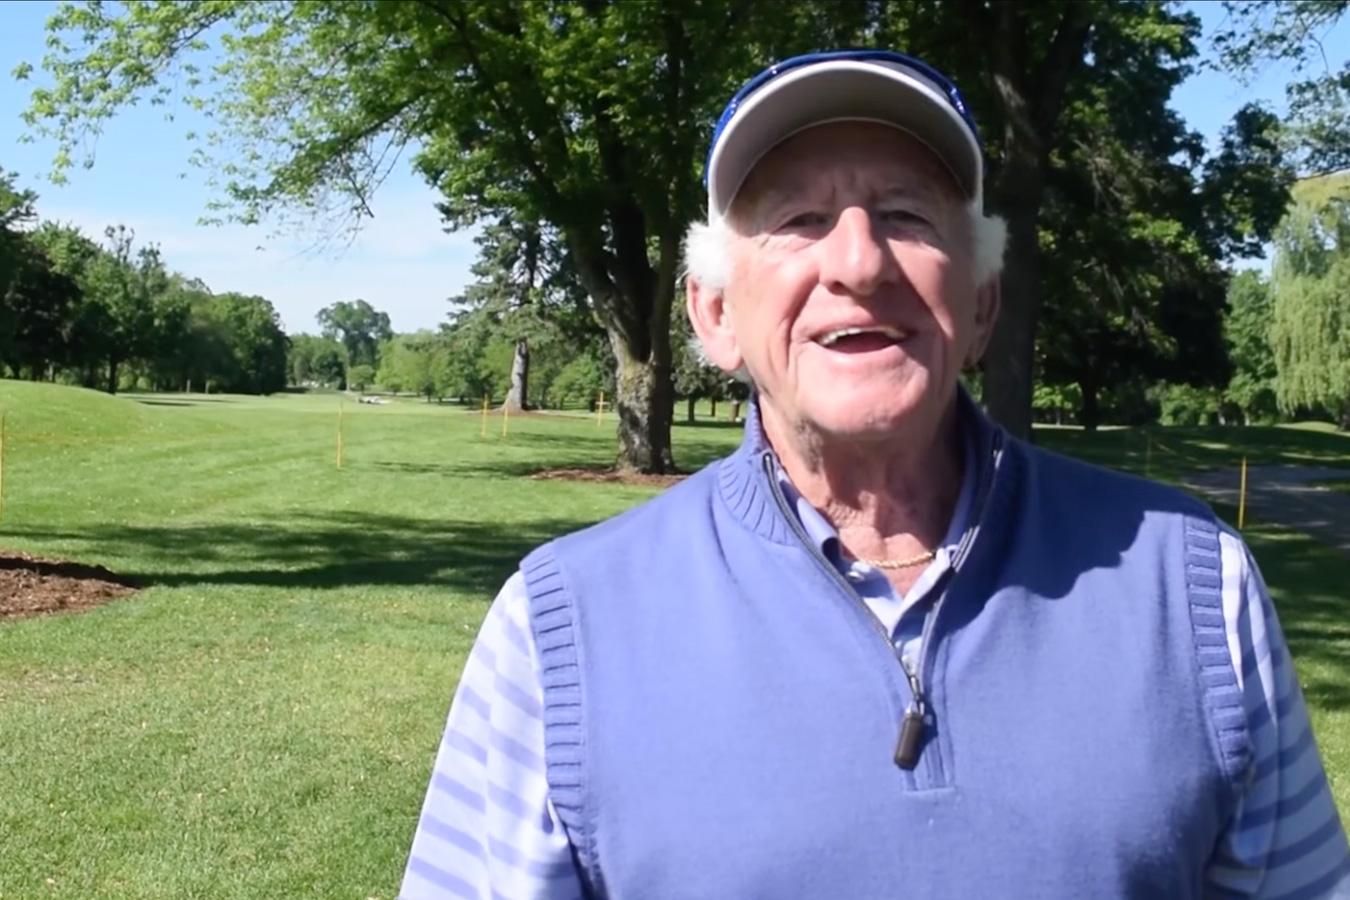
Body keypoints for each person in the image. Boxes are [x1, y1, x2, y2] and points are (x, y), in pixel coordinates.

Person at [399, 50, 1350, 899]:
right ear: (714, 314)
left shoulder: (1195, 587)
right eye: (800, 220)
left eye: (906, 216)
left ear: (981, 304)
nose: (858, 261)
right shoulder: (559, 627)